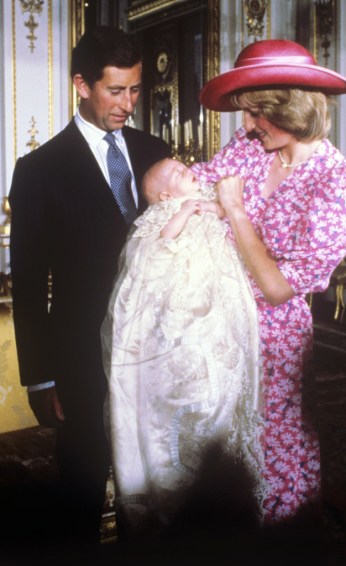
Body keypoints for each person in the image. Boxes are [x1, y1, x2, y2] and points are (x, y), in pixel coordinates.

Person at [193, 38, 346, 550]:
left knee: (274, 438)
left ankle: (288, 535)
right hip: (215, 318)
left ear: (288, 107)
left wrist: (236, 211)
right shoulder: (247, 150)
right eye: (245, 113)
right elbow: (191, 189)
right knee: (219, 436)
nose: (245, 126)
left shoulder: (340, 183)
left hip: (273, 333)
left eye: (255, 114)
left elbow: (275, 288)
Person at [8, 26, 171, 548]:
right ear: (82, 85)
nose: (128, 104)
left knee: (155, 478)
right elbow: (29, 286)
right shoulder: (38, 170)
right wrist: (39, 378)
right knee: (82, 479)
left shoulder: (154, 150)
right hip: (80, 356)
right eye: (115, 90)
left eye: (136, 89)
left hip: (156, 347)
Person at [102, 158, 265, 541]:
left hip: (216, 304)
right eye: (176, 173)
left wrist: (212, 206)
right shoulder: (164, 214)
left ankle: (224, 489)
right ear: (164, 196)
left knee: (226, 388)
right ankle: (179, 503)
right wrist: (186, 211)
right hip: (182, 311)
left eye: (183, 165)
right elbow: (160, 246)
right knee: (188, 397)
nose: (187, 169)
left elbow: (227, 210)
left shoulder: (203, 199)